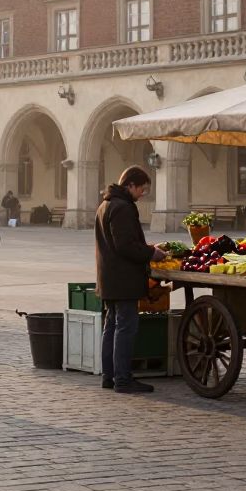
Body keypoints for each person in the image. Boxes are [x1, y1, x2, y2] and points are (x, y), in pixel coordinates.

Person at [95, 166, 168, 394]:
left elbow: (118, 242)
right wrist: (150, 253)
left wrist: (145, 247)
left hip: (109, 277)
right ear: (131, 185)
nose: (141, 195)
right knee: (125, 328)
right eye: (142, 190)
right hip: (123, 278)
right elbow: (124, 246)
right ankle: (123, 379)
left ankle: (110, 376)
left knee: (111, 326)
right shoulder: (122, 207)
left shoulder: (105, 204)